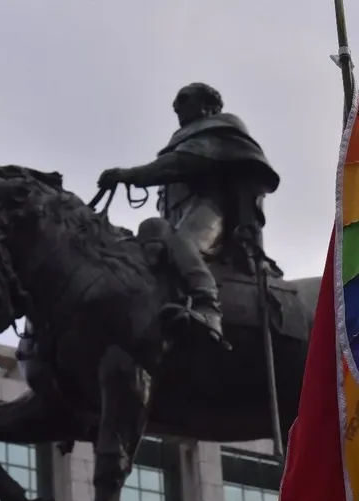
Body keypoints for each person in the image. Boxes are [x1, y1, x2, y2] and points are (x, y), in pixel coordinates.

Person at [97, 82, 280, 349]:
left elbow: (181, 164)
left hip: (214, 210)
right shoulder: (186, 139)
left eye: (184, 100)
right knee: (148, 233)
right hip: (180, 215)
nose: (177, 107)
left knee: (182, 241)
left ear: (208, 105)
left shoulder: (222, 128)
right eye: (176, 104)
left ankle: (208, 308)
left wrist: (128, 175)